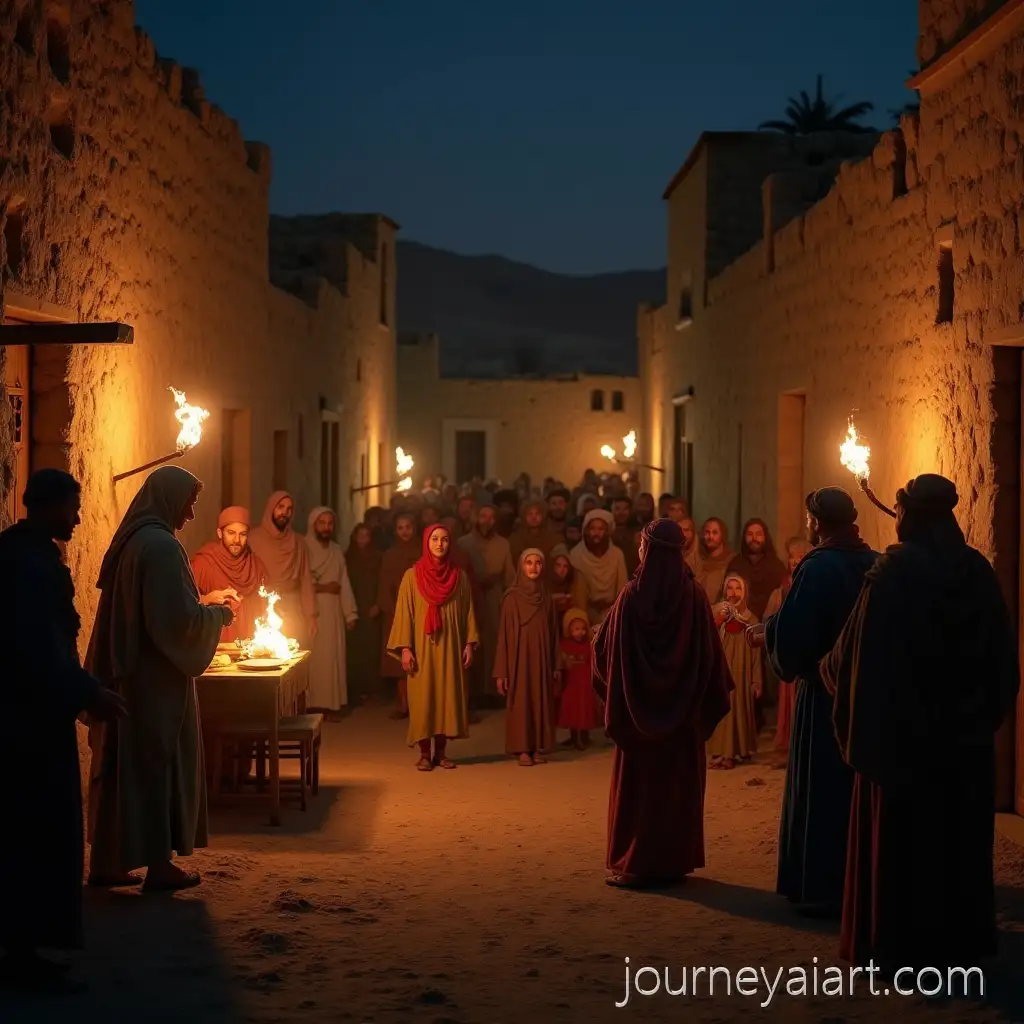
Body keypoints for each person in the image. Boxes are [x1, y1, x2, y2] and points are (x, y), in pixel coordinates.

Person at [821, 474, 1019, 968]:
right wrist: (977, 721)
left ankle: (900, 945)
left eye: (900, 508)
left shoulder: (893, 574)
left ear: (913, 514)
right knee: (955, 845)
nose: (898, 517)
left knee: (905, 850)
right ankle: (958, 942)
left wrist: (831, 676)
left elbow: (856, 655)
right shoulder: (977, 571)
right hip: (962, 747)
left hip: (902, 747)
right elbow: (1001, 661)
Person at [0, 470, 125, 994]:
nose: (78, 517)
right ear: (48, 507)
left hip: (29, 718)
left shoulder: (22, 555)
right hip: (29, 726)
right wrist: (87, 693)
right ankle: (20, 954)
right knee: (34, 836)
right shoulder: (29, 568)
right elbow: (41, 648)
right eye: (73, 508)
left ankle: (24, 948)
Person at [87, 466, 232, 893]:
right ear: (170, 500)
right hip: (155, 684)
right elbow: (178, 624)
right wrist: (218, 615)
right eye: (187, 506)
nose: (188, 516)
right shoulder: (163, 548)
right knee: (158, 765)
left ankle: (107, 863)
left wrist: (201, 602)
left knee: (123, 769)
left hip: (126, 675)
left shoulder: (132, 541)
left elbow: (153, 607)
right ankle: (159, 864)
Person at [749, 486, 876, 919]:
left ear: (817, 523)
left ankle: (820, 885)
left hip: (822, 697)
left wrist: (770, 636)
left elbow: (797, 631)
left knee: (821, 788)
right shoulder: (874, 562)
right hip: (862, 697)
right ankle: (855, 882)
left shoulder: (817, 567)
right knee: (853, 788)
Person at [593, 519, 732, 889]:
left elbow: (606, 652)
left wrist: (627, 690)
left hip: (638, 723)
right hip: (683, 723)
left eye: (642, 544)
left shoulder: (632, 597)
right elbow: (711, 661)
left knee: (641, 791)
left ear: (649, 549)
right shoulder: (695, 596)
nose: (639, 550)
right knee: (675, 789)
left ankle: (636, 863)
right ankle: (673, 862)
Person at [387, 524, 479, 770]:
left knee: (446, 697)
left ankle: (441, 752)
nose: (440, 544)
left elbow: (468, 612)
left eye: (445, 540)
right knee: (423, 698)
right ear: (426, 542)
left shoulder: (459, 577)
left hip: (449, 646)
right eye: (435, 539)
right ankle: (425, 753)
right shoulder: (412, 576)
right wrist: (405, 648)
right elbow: (404, 614)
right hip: (423, 648)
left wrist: (469, 643)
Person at [494, 549, 559, 766]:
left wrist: (555, 664)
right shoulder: (511, 599)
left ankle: (537, 746)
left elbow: (553, 633)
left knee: (539, 698)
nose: (533, 567)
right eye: (528, 563)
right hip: (518, 661)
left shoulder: (546, 597)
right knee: (521, 700)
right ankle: (522, 748)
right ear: (521, 567)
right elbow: (503, 637)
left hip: (541, 659)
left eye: (538, 563)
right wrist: (502, 672)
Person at [458, 502, 515, 707]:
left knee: (493, 643)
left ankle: (492, 691)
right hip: (470, 595)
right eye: (483, 516)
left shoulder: (503, 544)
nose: (487, 520)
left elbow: (509, 575)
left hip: (494, 597)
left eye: (491, 517)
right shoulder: (463, 543)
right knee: (472, 642)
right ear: (476, 518)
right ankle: (472, 693)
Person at [762, 536, 812, 764]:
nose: (795, 562)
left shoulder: (812, 583)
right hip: (788, 650)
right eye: (792, 558)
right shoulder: (781, 590)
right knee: (787, 699)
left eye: (800, 557)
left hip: (807, 651)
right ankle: (786, 742)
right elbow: (769, 617)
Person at [304, 507, 358, 715]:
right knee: (315, 660)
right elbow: (300, 582)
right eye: (322, 523)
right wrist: (324, 587)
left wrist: (349, 613)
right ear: (313, 525)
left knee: (332, 658)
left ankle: (332, 705)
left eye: (330, 524)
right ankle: (312, 705)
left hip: (334, 611)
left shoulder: (336, 550)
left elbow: (343, 582)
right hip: (313, 610)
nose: (326, 527)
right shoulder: (303, 548)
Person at [248, 491, 318, 647]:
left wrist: (311, 616)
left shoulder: (299, 542)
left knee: (292, 658)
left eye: (289, 509)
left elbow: (306, 580)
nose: (284, 513)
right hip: (261, 606)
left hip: (292, 608)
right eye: (280, 507)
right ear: (270, 508)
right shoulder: (252, 539)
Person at [706, 574, 761, 769]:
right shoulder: (717, 614)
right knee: (721, 711)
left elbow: (756, 654)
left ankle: (732, 753)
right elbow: (709, 640)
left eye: (738, 589)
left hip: (741, 674)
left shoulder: (750, 619)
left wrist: (756, 681)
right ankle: (720, 752)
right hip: (721, 671)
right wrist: (719, 620)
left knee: (736, 711)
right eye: (730, 588)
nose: (733, 593)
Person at [191, 506, 269, 642]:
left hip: (251, 644)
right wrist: (208, 598)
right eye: (231, 533)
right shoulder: (204, 563)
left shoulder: (256, 566)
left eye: (243, 534)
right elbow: (183, 604)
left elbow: (267, 607)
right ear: (220, 533)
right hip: (214, 645)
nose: (237, 540)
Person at [377, 511, 420, 719]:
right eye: (401, 528)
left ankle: (420, 705)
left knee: (420, 659)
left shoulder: (423, 552)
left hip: (420, 612)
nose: (405, 532)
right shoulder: (390, 554)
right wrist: (392, 609)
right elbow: (385, 584)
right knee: (398, 661)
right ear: (395, 530)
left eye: (408, 527)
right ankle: (404, 705)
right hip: (396, 613)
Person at [344, 523, 383, 704]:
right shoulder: (347, 557)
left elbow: (383, 581)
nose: (363, 539)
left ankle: (373, 689)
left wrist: (378, 603)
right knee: (354, 650)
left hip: (371, 607)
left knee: (372, 650)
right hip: (354, 605)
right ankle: (356, 690)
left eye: (366, 535)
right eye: (360, 535)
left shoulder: (378, 557)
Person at [570, 509, 628, 626]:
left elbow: (622, 588)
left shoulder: (617, 554)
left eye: (601, 529)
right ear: (586, 530)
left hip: (611, 610)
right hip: (584, 612)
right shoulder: (576, 554)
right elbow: (576, 591)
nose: (596, 533)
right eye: (592, 529)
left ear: (607, 531)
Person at [727, 518, 787, 621]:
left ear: (765, 537)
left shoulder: (777, 567)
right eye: (750, 534)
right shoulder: (735, 565)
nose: (754, 538)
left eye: (758, 534)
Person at [557, 608, 598, 750]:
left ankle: (583, 736)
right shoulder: (564, 645)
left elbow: (592, 660)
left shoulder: (588, 644)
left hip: (584, 681)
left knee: (583, 708)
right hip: (571, 682)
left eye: (582, 629)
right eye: (575, 629)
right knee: (571, 708)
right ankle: (574, 735)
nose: (579, 632)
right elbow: (561, 660)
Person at [509, 498, 559, 564]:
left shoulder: (553, 539)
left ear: (543, 516)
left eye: (537, 514)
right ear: (524, 516)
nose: (534, 517)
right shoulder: (514, 539)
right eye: (530, 514)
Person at [695, 517, 733, 601]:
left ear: (722, 535)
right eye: (707, 532)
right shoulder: (698, 559)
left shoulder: (731, 562)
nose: (710, 536)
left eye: (715, 532)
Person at [547, 542, 589, 618]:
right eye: (558, 565)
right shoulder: (545, 580)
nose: (562, 570)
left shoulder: (576, 580)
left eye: (565, 566)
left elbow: (581, 609)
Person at [610, 496, 640, 577]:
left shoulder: (638, 533)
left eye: (625, 509)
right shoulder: (606, 532)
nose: (621, 513)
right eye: (617, 509)